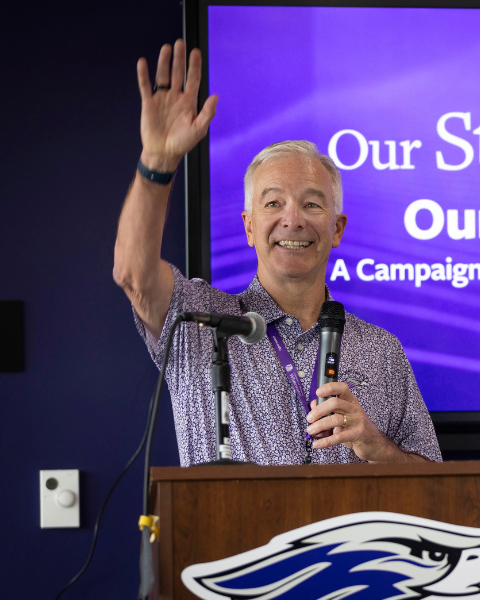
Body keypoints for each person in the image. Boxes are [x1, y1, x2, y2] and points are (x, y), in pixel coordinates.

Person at [114, 40, 441, 466]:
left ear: (337, 228)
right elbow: (133, 275)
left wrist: (377, 448)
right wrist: (157, 161)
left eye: (311, 204)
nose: (293, 220)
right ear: (249, 227)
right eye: (272, 204)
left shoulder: (382, 352)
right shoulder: (201, 322)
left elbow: (433, 487)